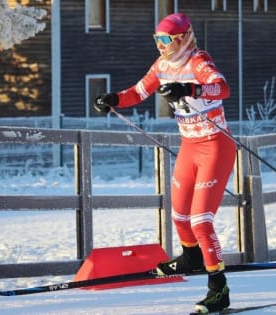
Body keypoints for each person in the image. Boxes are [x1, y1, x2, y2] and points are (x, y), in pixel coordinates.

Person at [93, 13, 236, 314]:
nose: (160, 45)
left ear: (183, 38)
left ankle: (218, 288)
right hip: (190, 146)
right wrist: (114, 99)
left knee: (200, 219)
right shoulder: (162, 66)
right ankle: (191, 257)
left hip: (215, 147)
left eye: (166, 39)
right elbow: (138, 91)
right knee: (179, 215)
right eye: (157, 39)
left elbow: (222, 88)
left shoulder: (198, 61)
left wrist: (190, 89)